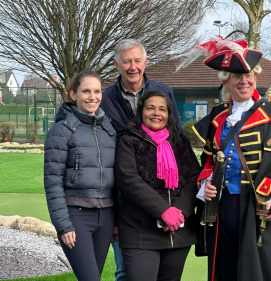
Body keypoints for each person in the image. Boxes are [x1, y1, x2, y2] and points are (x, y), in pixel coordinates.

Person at [177, 37, 271, 281]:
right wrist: (205, 182)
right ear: (226, 80)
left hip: (258, 206)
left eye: (247, 74)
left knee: (260, 271)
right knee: (224, 268)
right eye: (236, 76)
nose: (243, 81)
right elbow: (208, 160)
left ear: (255, 76)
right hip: (222, 208)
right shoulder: (217, 116)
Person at [101, 38, 182, 281]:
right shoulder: (104, 99)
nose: (132, 66)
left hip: (160, 190)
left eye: (137, 60)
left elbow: (176, 137)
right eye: (126, 61)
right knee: (125, 269)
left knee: (160, 270)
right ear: (117, 64)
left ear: (146, 62)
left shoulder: (163, 91)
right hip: (122, 192)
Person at [114, 90, 200, 281]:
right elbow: (128, 179)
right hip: (140, 232)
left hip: (178, 231)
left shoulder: (180, 141)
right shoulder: (129, 140)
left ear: (168, 115)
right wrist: (163, 211)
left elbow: (195, 176)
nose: (156, 113)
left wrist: (179, 211)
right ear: (141, 111)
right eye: (150, 108)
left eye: (162, 109)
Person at [44, 70, 117, 281]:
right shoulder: (61, 130)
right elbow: (52, 182)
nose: (92, 97)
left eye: (97, 91)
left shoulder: (108, 128)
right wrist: (64, 225)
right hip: (76, 217)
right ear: (73, 94)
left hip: (106, 216)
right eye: (86, 91)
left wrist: (116, 220)